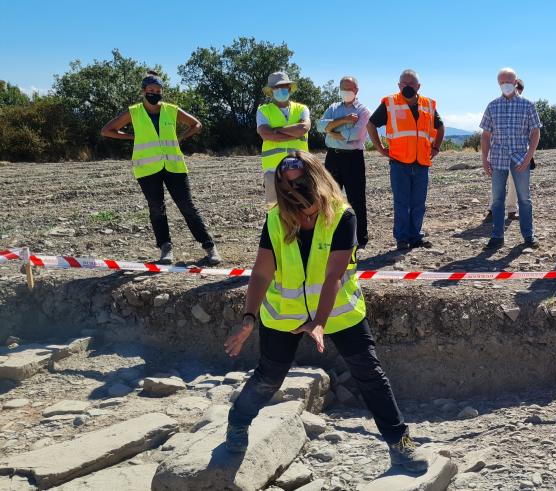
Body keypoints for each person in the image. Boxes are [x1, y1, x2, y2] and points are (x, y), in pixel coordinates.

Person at [222, 152, 430, 471]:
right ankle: (237, 422)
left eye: (301, 183)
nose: (296, 192)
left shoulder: (343, 216)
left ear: (317, 178)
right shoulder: (277, 218)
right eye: (288, 186)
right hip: (284, 314)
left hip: (339, 311)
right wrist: (249, 319)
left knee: (369, 374)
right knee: (269, 377)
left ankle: (400, 442)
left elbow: (333, 275)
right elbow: (262, 272)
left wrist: (319, 322)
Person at [100, 71, 221, 266]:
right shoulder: (134, 112)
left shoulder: (171, 110)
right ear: (144, 91)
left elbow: (196, 124)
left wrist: (181, 137)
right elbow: (107, 130)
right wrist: (132, 137)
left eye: (157, 90)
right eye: (150, 90)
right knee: (157, 209)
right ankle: (166, 249)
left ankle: (209, 247)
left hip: (174, 166)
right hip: (147, 169)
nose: (154, 93)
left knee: (187, 206)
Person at [367, 70, 445, 251]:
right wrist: (379, 148)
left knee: (418, 202)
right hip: (399, 161)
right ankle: (402, 238)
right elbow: (371, 124)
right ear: (399, 86)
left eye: (411, 84)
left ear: (418, 86)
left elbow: (440, 127)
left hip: (422, 162)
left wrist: (436, 147)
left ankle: (415, 236)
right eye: (404, 84)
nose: (407, 87)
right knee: (402, 202)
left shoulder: (428, 104)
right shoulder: (390, 103)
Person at [480, 68, 542, 250]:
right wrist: (485, 158)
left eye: (509, 81)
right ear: (498, 84)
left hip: (520, 158)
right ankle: (497, 236)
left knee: (524, 199)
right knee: (497, 200)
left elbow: (535, 131)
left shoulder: (528, 105)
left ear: (516, 82)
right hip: (497, 158)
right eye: (502, 82)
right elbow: (485, 135)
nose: (505, 84)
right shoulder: (492, 106)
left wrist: (529, 156)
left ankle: (529, 236)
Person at [317, 76, 372, 248]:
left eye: (349, 88)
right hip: (332, 157)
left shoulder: (363, 111)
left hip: (353, 158)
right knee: (329, 197)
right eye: (343, 88)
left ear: (356, 91)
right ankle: (330, 235)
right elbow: (319, 126)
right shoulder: (333, 107)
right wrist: (345, 121)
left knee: (356, 199)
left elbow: (354, 136)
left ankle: (360, 238)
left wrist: (331, 130)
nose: (346, 92)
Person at [257, 71, 311, 204]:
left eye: (284, 86)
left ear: (289, 88)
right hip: (273, 170)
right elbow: (265, 133)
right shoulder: (263, 110)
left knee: (303, 207)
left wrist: (275, 131)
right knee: (275, 209)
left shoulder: (302, 108)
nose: (281, 90)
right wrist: (293, 132)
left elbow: (303, 128)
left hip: (300, 168)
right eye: (277, 87)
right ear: (271, 90)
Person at [482, 79, 526, 225]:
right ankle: (492, 210)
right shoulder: (496, 106)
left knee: (514, 182)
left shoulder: (524, 106)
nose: (516, 91)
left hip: (518, 153)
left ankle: (512, 209)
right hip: (498, 152)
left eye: (519, 89)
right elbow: (487, 132)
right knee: (497, 184)